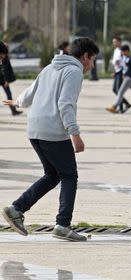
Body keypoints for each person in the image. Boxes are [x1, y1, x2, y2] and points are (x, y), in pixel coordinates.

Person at [1, 37, 99, 242]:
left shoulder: (49, 68)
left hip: (34, 129)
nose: (92, 65)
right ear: (85, 56)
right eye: (92, 60)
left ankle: (16, 209)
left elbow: (30, 93)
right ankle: (63, 225)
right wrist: (75, 135)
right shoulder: (74, 71)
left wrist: (17, 102)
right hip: (53, 131)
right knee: (70, 176)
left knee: (52, 174)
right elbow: (65, 104)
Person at [0, 42, 22, 115]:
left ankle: (13, 110)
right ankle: (13, 110)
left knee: (9, 95)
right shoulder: (4, 56)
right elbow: (4, 68)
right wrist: (6, 80)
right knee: (9, 95)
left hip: (3, 79)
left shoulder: (4, 55)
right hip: (3, 79)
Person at [111, 36, 131, 113]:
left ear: (119, 42)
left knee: (118, 90)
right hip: (117, 71)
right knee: (115, 89)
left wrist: (124, 73)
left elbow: (125, 62)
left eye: (115, 42)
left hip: (121, 72)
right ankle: (126, 103)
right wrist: (114, 71)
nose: (114, 43)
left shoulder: (122, 51)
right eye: (113, 42)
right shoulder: (116, 50)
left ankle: (121, 108)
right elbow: (115, 62)